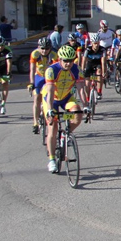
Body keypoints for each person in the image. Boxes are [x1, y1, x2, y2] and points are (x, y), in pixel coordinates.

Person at [42, 45, 87, 173]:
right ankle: (51, 160)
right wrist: (50, 109)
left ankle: (65, 134)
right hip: (51, 99)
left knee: (77, 114)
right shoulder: (51, 70)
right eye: (65, 61)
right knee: (53, 126)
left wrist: (86, 106)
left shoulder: (77, 69)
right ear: (60, 59)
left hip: (66, 97)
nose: (68, 63)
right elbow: (50, 92)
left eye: (71, 60)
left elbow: (81, 89)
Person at [29, 38, 57, 133]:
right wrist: (32, 83)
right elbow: (32, 69)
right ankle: (35, 122)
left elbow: (56, 70)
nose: (44, 51)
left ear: (50, 48)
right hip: (39, 76)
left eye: (47, 48)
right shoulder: (35, 54)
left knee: (50, 95)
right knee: (37, 98)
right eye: (42, 48)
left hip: (49, 77)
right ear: (38, 47)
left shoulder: (54, 55)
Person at [80, 33, 107, 101]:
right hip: (90, 64)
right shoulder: (87, 50)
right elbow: (84, 61)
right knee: (87, 81)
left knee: (99, 72)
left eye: (98, 43)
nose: (96, 45)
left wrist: (104, 72)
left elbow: (103, 62)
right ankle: (88, 97)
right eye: (95, 43)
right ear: (92, 43)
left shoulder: (102, 50)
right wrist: (82, 70)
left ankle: (99, 91)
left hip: (98, 64)